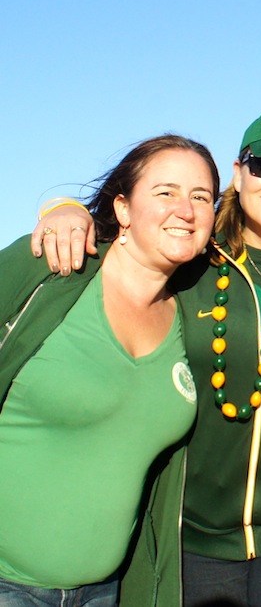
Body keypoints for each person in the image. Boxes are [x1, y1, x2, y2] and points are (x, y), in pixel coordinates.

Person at [33, 106, 261, 607]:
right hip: (185, 539)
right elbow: (120, 241)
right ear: (238, 173)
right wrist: (63, 209)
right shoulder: (188, 256)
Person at [0, 134, 219, 607]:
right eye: (165, 192)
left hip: (108, 592)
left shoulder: (195, 312)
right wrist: (63, 207)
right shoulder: (49, 267)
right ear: (122, 208)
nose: (185, 209)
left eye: (200, 197)